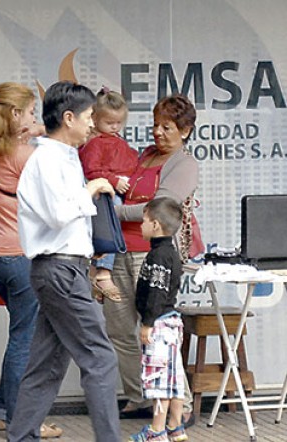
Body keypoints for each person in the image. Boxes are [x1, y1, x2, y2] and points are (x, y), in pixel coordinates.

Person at [8, 81, 121, 442]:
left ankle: (22, 435)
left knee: (47, 364)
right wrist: (92, 188)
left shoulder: (63, 157)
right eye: (89, 116)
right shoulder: (48, 160)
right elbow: (58, 214)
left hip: (60, 268)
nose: (92, 123)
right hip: (60, 269)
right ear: (69, 118)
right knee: (100, 357)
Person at [0, 82, 61, 439]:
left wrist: (34, 130)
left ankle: (4, 412)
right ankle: (22, 420)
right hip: (21, 255)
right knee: (27, 339)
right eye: (31, 112)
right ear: (15, 114)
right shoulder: (25, 156)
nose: (35, 118)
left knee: (20, 334)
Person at [106, 94, 198, 425]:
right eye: (156, 125)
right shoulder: (144, 154)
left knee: (157, 332)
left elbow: (159, 207)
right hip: (119, 249)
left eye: (167, 127)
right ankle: (140, 396)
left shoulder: (184, 164)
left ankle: (181, 406)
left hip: (151, 253)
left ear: (185, 131)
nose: (158, 132)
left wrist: (111, 213)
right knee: (119, 330)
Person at [128, 197, 187, 442]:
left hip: (159, 325)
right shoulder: (169, 253)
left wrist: (148, 323)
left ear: (155, 225)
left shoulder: (158, 256)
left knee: (158, 378)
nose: (140, 226)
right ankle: (176, 425)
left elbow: (156, 292)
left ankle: (157, 429)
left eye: (144, 221)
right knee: (174, 376)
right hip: (170, 323)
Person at [79, 88, 138, 303]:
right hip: (106, 192)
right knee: (110, 222)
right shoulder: (95, 143)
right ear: (94, 119)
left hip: (119, 187)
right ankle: (103, 270)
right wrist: (114, 181)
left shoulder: (116, 140)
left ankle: (99, 272)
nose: (114, 127)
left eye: (119, 123)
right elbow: (92, 170)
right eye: (109, 122)